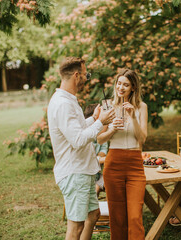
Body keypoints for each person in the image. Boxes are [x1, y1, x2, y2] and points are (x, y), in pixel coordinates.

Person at [47, 57, 115, 240]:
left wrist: (93, 118)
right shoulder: (62, 104)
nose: (87, 78)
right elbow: (77, 140)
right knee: (76, 226)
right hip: (74, 172)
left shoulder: (67, 100)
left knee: (93, 216)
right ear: (77, 75)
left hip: (83, 170)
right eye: (86, 75)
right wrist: (101, 123)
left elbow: (75, 130)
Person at [97, 68, 148, 240]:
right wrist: (112, 130)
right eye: (119, 83)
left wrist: (132, 117)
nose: (121, 87)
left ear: (133, 87)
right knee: (117, 216)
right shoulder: (107, 106)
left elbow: (142, 139)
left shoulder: (142, 107)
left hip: (135, 164)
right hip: (113, 164)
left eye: (126, 85)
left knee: (135, 215)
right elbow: (100, 139)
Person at [84, 103, 109, 197]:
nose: (106, 126)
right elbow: (91, 159)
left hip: (98, 176)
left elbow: (102, 154)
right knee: (96, 188)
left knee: (114, 183)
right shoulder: (86, 137)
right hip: (86, 176)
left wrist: (100, 158)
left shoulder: (102, 138)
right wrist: (102, 158)